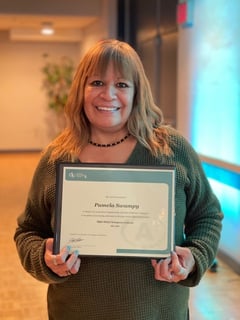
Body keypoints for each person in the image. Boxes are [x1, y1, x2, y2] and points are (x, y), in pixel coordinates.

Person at [14, 39, 223, 320]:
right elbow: (28, 230)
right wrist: (44, 258)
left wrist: (195, 257)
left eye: (122, 85)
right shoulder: (57, 157)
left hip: (158, 312)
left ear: (137, 92)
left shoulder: (171, 150)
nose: (108, 95)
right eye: (97, 83)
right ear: (81, 89)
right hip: (75, 311)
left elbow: (208, 215)